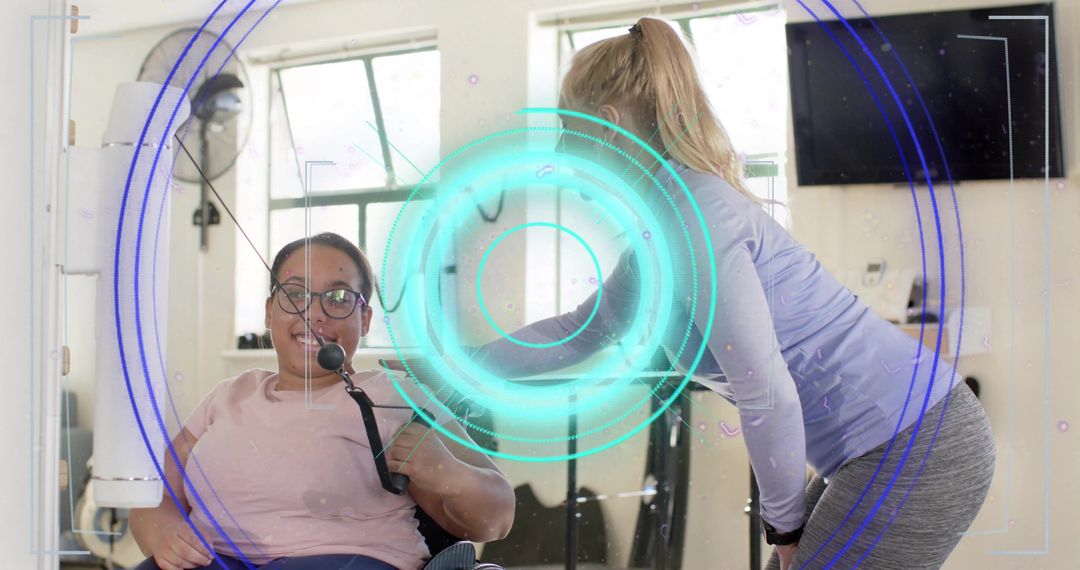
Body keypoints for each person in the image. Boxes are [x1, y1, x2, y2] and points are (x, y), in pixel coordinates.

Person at [393, 18, 994, 570]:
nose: (556, 150)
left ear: (611, 122)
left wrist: (783, 536)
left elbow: (766, 389)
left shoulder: (693, 218)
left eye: (566, 129)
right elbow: (579, 332)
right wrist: (448, 369)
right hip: (896, 443)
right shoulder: (666, 224)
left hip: (916, 445)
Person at [130, 232, 515, 570]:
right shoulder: (229, 395)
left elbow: (496, 518)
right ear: (269, 311)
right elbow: (156, 492)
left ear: (364, 319)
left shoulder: (393, 396)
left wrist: (447, 470)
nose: (313, 312)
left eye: (338, 297)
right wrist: (163, 533)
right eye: (294, 294)